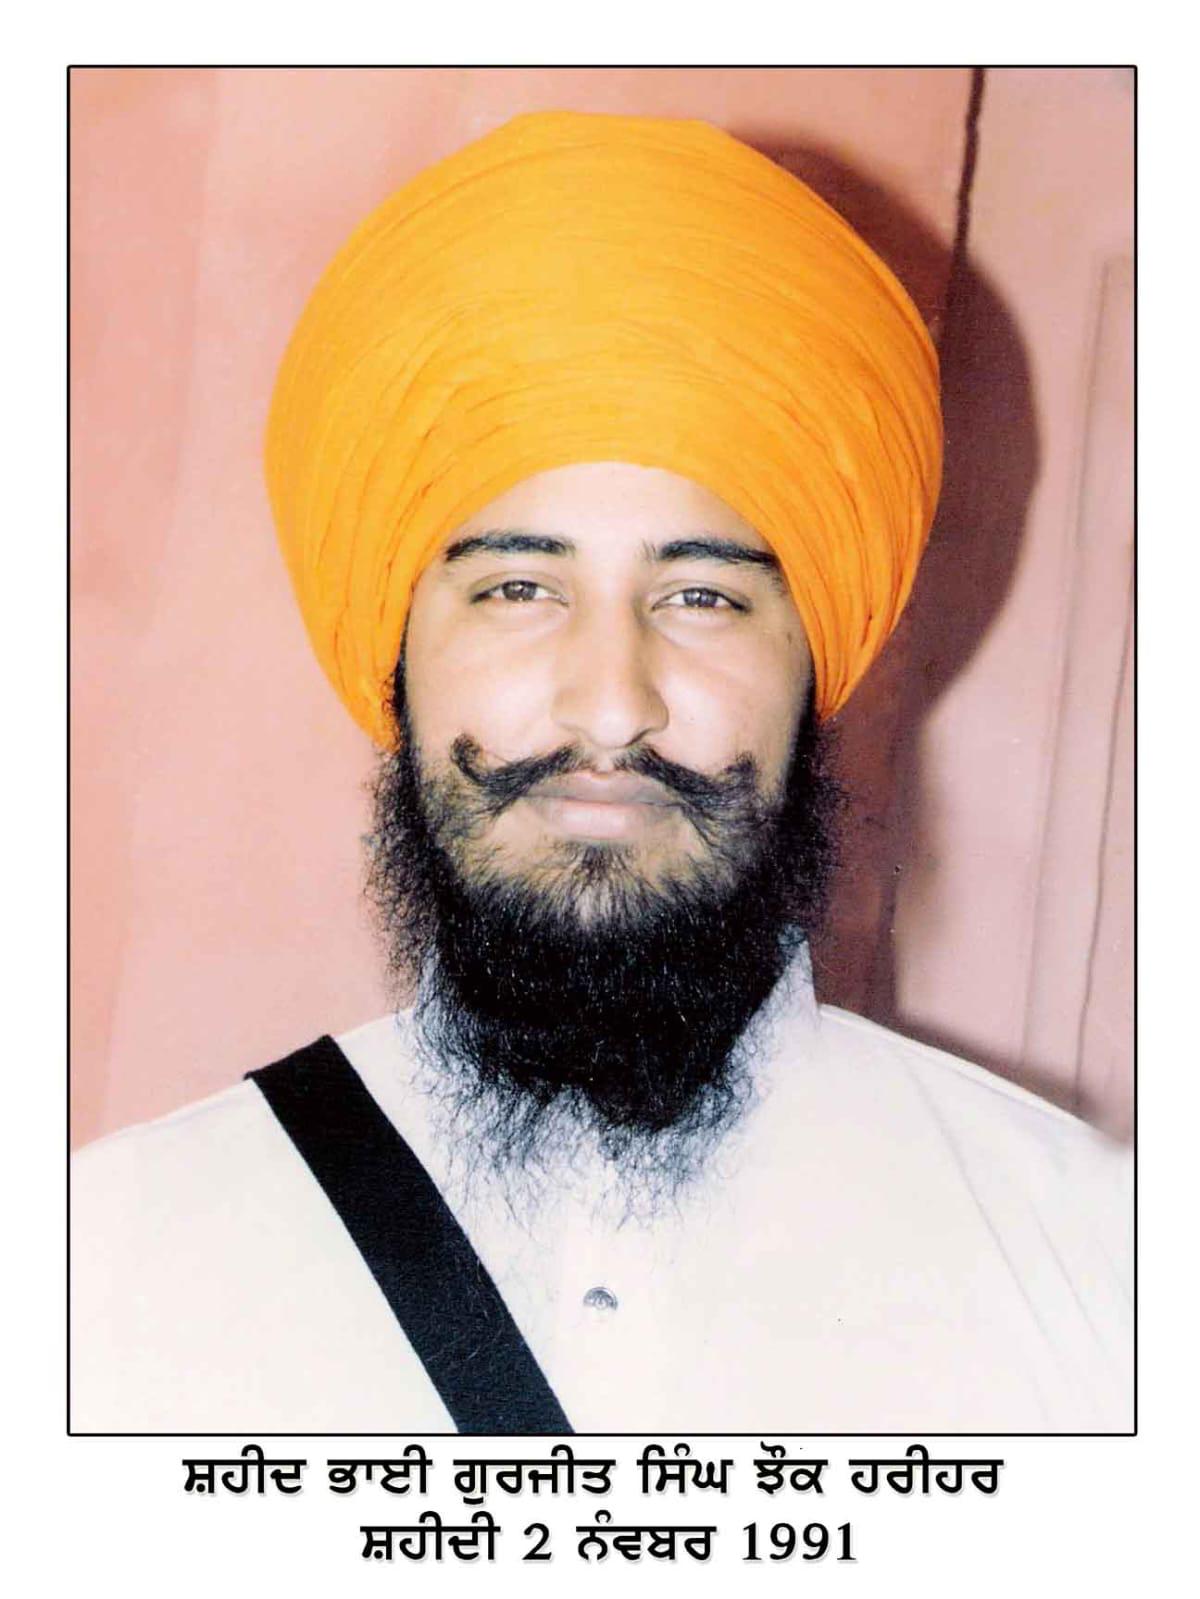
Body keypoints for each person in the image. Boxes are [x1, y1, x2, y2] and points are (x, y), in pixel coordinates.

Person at [71, 111, 1132, 1434]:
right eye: (520, 588)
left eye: (702, 597)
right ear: (395, 653)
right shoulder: (99, 1275)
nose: (614, 704)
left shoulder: (1097, 1269)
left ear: (815, 661)